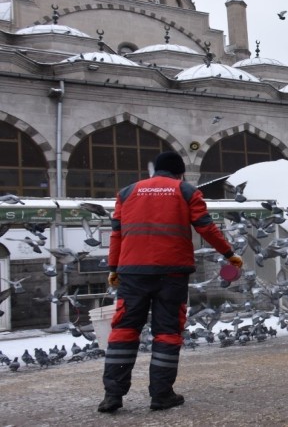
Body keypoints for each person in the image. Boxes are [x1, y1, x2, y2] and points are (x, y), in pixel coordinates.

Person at [98, 151, 244, 413]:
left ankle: (113, 396)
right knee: (166, 332)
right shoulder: (186, 190)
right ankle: (161, 395)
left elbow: (116, 234)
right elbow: (206, 227)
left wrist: (113, 267)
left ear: (155, 171)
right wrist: (229, 254)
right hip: (172, 272)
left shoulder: (127, 192)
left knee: (124, 330)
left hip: (132, 272)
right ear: (180, 173)